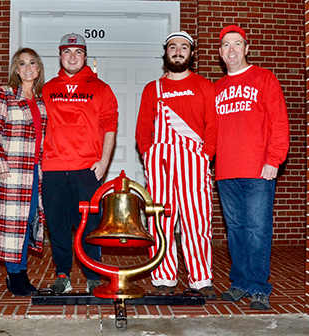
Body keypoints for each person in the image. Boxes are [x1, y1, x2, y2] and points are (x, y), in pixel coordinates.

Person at [135, 31, 217, 299]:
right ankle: (163, 277)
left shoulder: (205, 86)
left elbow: (213, 128)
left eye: (184, 47)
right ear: (166, 52)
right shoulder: (152, 88)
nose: (178, 51)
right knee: (160, 222)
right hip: (160, 164)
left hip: (194, 161)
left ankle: (201, 279)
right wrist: (149, 157)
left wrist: (205, 156)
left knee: (198, 223)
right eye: (173, 46)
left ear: (192, 54)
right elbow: (143, 130)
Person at [215, 25, 290, 310]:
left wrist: (274, 159)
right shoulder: (216, 88)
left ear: (246, 49)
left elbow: (279, 122)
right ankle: (240, 282)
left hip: (259, 170)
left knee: (258, 229)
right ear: (220, 53)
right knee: (235, 229)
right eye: (225, 45)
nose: (231, 49)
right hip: (226, 171)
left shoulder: (264, 78)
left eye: (236, 44)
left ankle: (259, 287)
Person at [42, 33, 118, 294]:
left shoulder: (101, 88)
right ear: (60, 55)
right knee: (58, 226)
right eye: (67, 51)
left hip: (86, 169)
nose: (72, 57)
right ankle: (63, 275)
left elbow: (110, 125)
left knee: (90, 227)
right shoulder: (48, 88)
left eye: (78, 52)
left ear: (85, 56)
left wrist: (104, 160)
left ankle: (93, 275)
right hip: (53, 168)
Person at [0, 48, 47, 296]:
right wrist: (0, 166)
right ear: (16, 70)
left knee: (28, 222)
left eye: (32, 63)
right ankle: (15, 274)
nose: (27, 67)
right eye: (22, 63)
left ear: (38, 69)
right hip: (9, 174)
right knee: (12, 226)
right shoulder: (4, 94)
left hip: (34, 173)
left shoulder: (41, 100)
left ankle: (20, 271)